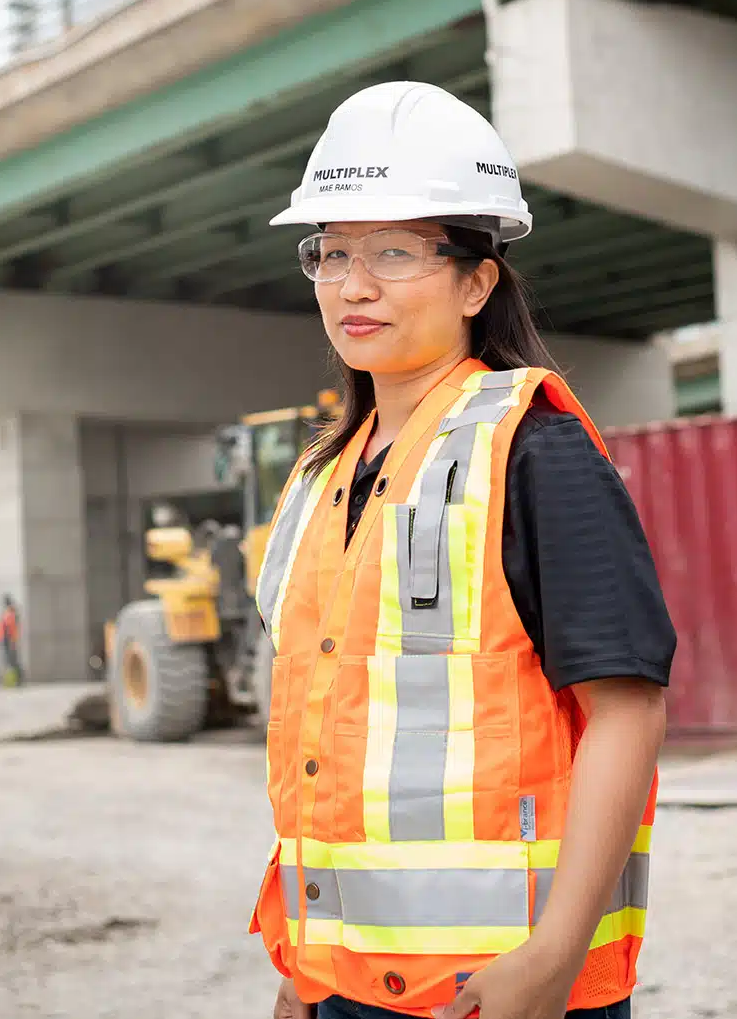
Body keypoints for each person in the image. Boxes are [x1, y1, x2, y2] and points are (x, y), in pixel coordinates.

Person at [251, 82, 677, 1019]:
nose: (353, 284)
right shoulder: (320, 477)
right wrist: (304, 970)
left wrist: (555, 955)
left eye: (393, 252)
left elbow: (628, 707)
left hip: (501, 985)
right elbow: (336, 741)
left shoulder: (531, 448)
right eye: (331, 252)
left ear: (476, 279)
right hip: (343, 983)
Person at [0, 595, 22, 686]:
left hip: (9, 640)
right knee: (10, 661)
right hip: (6, 640)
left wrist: (11, 642)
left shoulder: (11, 613)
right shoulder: (8, 613)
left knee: (12, 661)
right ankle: (15, 680)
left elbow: (10, 629)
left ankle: (16, 680)